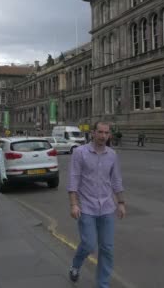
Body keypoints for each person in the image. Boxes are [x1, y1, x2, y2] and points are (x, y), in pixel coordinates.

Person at [67, 121, 126, 287]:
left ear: (109, 135)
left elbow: (116, 180)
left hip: (107, 206)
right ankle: (76, 264)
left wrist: (120, 203)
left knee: (107, 249)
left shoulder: (112, 155)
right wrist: (73, 204)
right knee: (88, 244)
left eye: (106, 133)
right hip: (86, 206)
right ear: (93, 133)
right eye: (100, 132)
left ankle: (103, 284)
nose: (103, 136)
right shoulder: (80, 152)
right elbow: (73, 179)